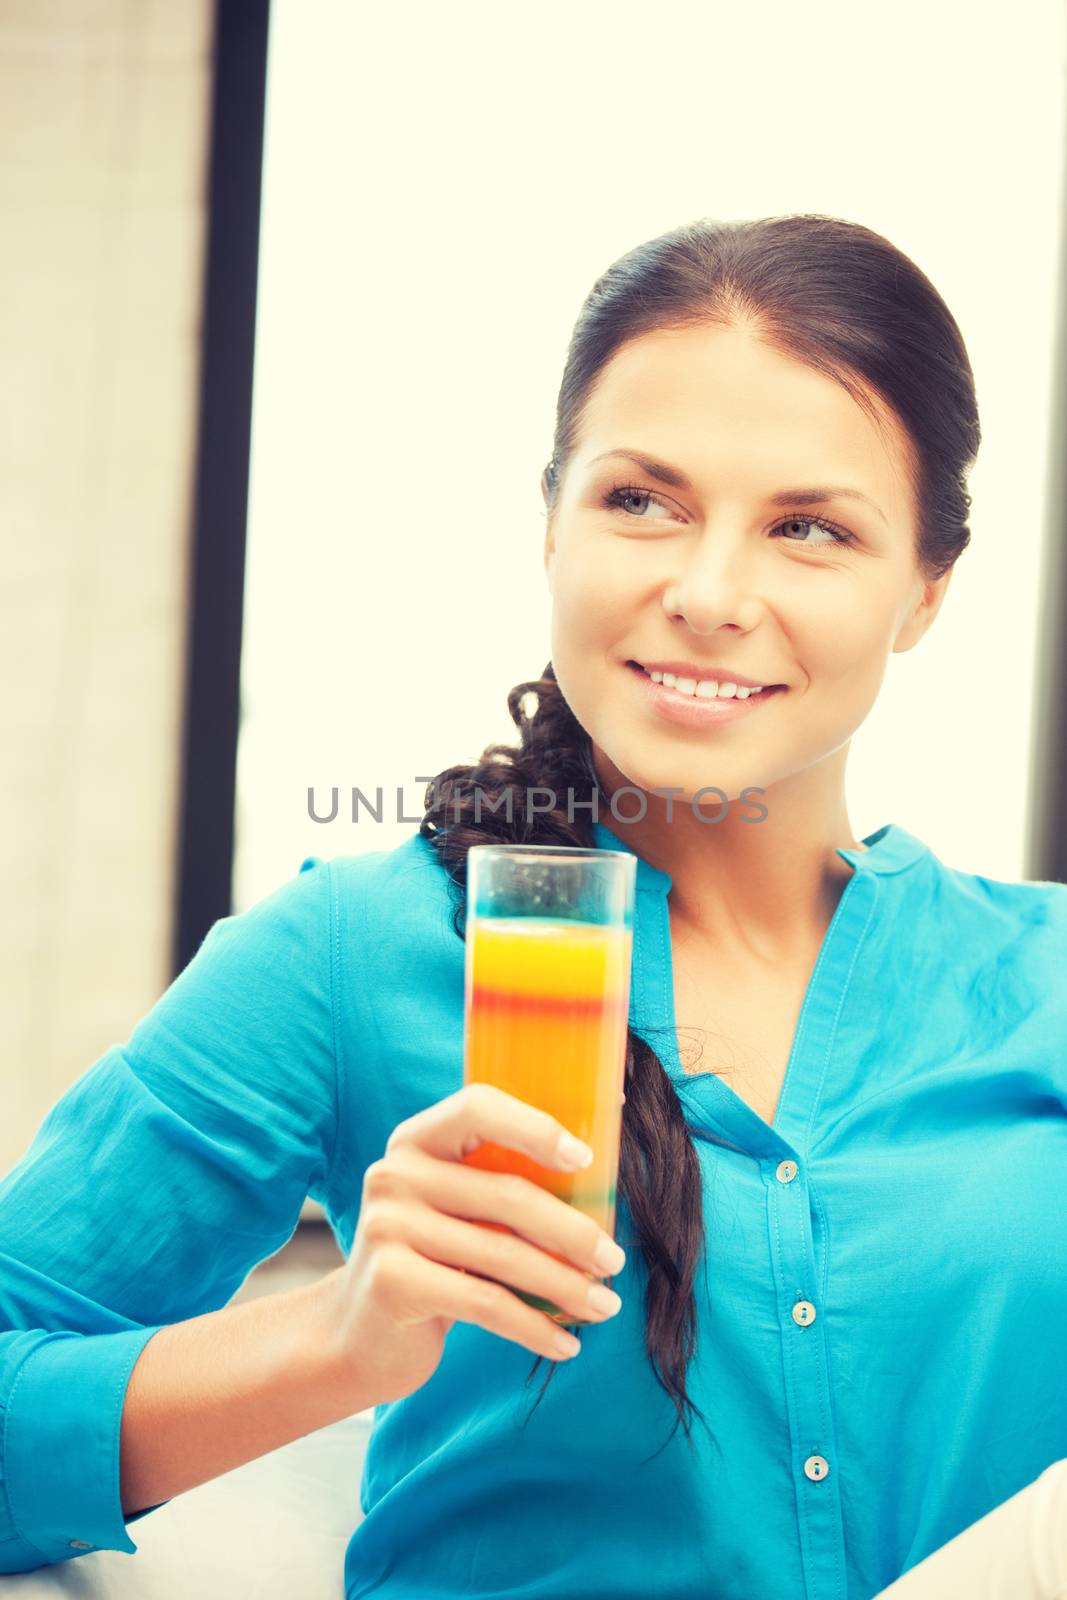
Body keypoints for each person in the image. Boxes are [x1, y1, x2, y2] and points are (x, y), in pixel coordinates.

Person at [0, 213, 1064, 1600]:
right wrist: (342, 1336)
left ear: (926, 589)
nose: (707, 592)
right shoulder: (349, 957)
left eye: (810, 527)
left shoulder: (1045, 985)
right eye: (641, 501)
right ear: (550, 521)